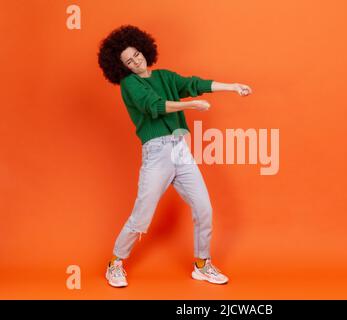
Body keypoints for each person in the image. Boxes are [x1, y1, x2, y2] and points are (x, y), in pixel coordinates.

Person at [97, 25, 252, 287]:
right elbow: (154, 107)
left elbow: (194, 84)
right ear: (121, 67)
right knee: (142, 216)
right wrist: (190, 105)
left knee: (204, 208)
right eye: (128, 61)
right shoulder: (129, 84)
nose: (135, 61)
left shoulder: (165, 77)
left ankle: (202, 265)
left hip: (181, 149)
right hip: (157, 152)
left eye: (136, 54)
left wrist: (232, 86)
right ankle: (115, 263)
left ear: (143, 49)